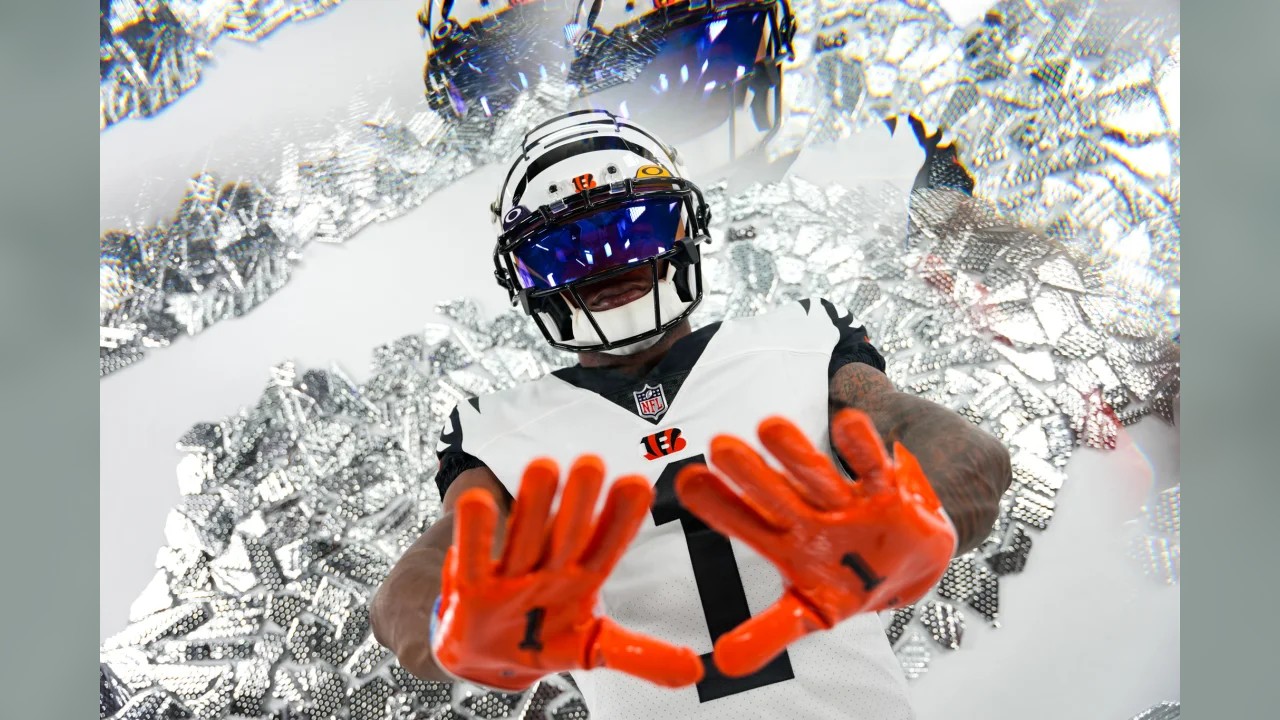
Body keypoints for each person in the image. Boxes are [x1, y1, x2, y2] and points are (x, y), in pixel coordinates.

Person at [370, 110, 1010, 719]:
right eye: (568, 251)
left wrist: (924, 512)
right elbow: (413, 588)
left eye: (636, 228)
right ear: (526, 278)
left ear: (686, 227)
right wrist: (450, 623)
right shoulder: (497, 431)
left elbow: (961, 454)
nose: (610, 264)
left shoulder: (804, 341)